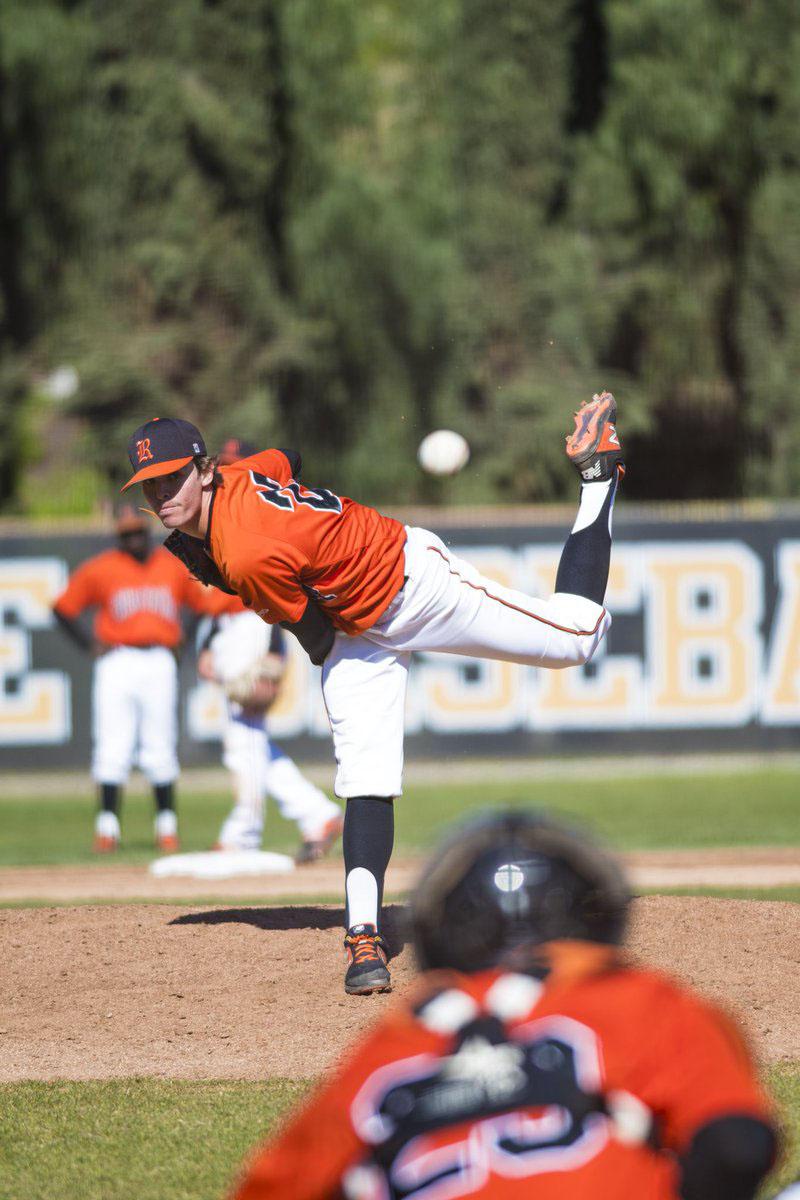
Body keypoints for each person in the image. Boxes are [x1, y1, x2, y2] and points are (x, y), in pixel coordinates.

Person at [122, 393, 623, 992]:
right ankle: (363, 936)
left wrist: (304, 546)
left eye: (174, 477)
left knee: (575, 638)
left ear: (204, 471)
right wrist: (312, 530)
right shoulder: (240, 474)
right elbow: (291, 457)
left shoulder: (247, 554)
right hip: (353, 624)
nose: (162, 495)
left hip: (412, 586)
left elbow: (311, 633)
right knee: (364, 775)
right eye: (150, 485)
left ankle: (599, 474)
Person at [227, 810, 779, 1200]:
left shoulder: (394, 1045)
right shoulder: (639, 1001)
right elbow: (739, 1146)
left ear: (444, 933)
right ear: (593, 918)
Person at [198, 437, 344, 863]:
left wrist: (276, 650)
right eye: (222, 464)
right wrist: (209, 645)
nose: (227, 472)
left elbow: (276, 589)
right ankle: (315, 814)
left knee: (242, 738)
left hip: (251, 628)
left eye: (234, 464)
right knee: (247, 737)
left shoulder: (255, 508)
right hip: (230, 629)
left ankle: (244, 830)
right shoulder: (217, 519)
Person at [52, 504, 215, 852]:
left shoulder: (170, 564)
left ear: (146, 531)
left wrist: (183, 641)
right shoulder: (102, 568)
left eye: (138, 532)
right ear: (119, 536)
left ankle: (166, 827)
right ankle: (107, 827)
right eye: (127, 534)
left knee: (160, 745)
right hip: (118, 660)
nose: (134, 538)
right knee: (113, 746)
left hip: (159, 658)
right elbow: (62, 608)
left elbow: (202, 605)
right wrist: (88, 644)